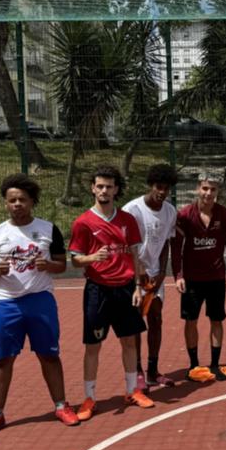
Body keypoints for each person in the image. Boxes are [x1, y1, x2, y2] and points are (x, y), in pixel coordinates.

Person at [0, 174, 79, 438]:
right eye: (12, 200)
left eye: (22, 199)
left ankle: (61, 406)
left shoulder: (48, 229)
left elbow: (61, 265)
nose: (17, 204)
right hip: (7, 303)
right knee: (2, 359)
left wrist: (49, 265)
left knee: (49, 355)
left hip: (40, 300)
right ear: (5, 203)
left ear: (32, 201)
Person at [70, 165, 152, 422]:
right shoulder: (83, 222)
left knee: (129, 341)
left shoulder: (128, 220)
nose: (104, 190)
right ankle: (89, 397)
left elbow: (135, 255)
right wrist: (92, 257)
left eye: (109, 186)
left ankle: (132, 390)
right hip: (98, 290)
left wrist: (138, 286)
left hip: (126, 289)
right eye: (100, 186)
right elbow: (75, 260)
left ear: (116, 189)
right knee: (93, 345)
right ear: (93, 188)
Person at [172, 172, 226, 382]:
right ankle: (194, 365)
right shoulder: (185, 215)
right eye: (205, 188)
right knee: (190, 320)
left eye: (213, 189)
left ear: (218, 191)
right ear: (197, 189)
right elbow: (176, 247)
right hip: (192, 279)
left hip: (216, 278)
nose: (208, 193)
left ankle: (215, 364)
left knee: (216, 320)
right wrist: (178, 275)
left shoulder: (225, 215)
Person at [122, 163, 179, 389]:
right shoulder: (132, 210)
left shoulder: (170, 211)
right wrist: (140, 272)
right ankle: (137, 371)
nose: (162, 192)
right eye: (158, 187)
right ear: (150, 185)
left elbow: (166, 243)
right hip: (134, 273)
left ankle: (153, 371)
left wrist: (162, 273)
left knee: (156, 318)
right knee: (136, 322)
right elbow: (125, 246)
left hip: (155, 274)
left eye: (166, 188)